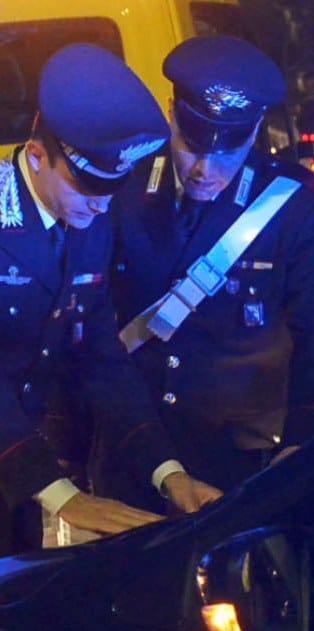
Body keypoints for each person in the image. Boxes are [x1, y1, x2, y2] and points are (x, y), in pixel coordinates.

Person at [98, 34, 314, 507]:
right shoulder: (123, 186)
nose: (205, 169)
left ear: (257, 126)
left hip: (240, 464)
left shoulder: (293, 205)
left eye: (228, 149)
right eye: (192, 144)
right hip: (135, 449)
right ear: (171, 111)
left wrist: (304, 440)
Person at [0, 44, 216, 554]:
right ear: (36, 155)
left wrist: (168, 472)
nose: (101, 208)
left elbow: (99, 358)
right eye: (87, 188)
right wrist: (61, 496)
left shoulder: (87, 216)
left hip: (18, 471)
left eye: (111, 191)